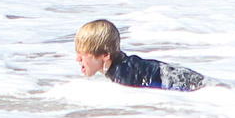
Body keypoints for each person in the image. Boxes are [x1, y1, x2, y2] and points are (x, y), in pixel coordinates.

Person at [74, 19, 206, 92]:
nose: (77, 58)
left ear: (105, 55)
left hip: (184, 82)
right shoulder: (121, 68)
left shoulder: (124, 74)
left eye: (84, 54)